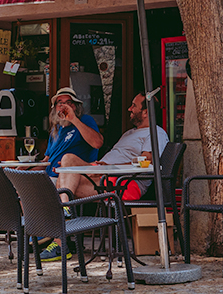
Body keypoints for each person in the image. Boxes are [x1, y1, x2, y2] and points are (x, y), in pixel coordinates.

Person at [41, 93, 169, 262]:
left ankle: (61, 235)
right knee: (67, 160)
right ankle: (64, 214)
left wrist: (107, 170)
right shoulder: (130, 133)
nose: (129, 109)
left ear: (145, 112)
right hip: (104, 177)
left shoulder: (156, 133)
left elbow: (145, 163)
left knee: (63, 181)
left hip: (123, 183)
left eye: (134, 105)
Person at [41, 86, 103, 177]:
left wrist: (73, 119)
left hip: (73, 177)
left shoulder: (85, 120)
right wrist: (26, 168)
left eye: (68, 103)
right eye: (60, 103)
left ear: (75, 106)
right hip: (49, 177)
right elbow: (47, 160)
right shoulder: (56, 128)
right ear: (55, 109)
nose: (64, 106)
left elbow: (97, 143)